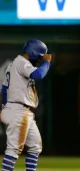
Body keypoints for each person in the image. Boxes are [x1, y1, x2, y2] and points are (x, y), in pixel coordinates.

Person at [0, 39, 52, 171]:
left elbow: (4, 89)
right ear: (33, 53)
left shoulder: (13, 64)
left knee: (35, 146)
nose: (40, 60)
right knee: (14, 150)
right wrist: (47, 62)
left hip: (20, 110)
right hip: (19, 110)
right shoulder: (21, 62)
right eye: (39, 57)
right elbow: (38, 74)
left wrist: (6, 108)